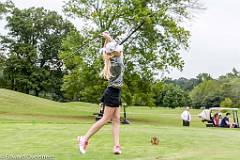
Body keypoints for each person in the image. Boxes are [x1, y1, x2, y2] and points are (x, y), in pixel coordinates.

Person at [77, 31, 124, 155]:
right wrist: (109, 38)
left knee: (116, 119)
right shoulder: (117, 62)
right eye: (118, 50)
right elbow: (116, 50)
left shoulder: (109, 57)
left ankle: (117, 146)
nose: (120, 51)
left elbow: (108, 50)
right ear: (114, 53)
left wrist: (107, 39)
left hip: (115, 92)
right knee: (105, 119)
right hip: (113, 92)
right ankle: (84, 139)